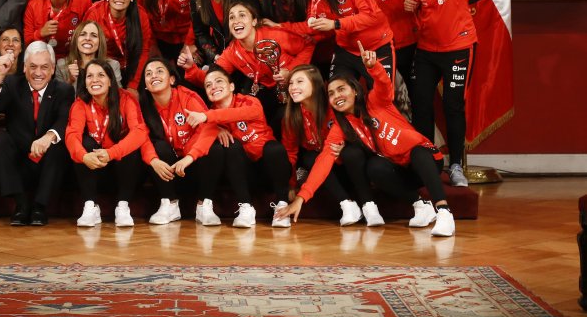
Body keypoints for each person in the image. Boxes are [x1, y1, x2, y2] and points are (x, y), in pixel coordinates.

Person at [276, 43, 454, 237]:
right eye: (332, 93)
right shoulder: (341, 126)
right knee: (374, 168)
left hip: (425, 162)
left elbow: (384, 85)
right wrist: (301, 198)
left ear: (354, 90)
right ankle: (420, 206)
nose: (337, 96)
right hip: (400, 171)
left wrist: (373, 67)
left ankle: (444, 212)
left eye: (341, 89)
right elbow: (325, 159)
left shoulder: (376, 101)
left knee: (417, 151)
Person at [405, 0, 493, 188]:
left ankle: (456, 165)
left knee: (452, 106)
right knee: (420, 106)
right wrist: (414, 5)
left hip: (457, 47)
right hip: (426, 49)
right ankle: (427, 162)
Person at [181, 1, 313, 137]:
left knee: (286, 118)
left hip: (292, 87)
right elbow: (212, 78)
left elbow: (308, 44)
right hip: (265, 90)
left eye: (242, 15)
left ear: (254, 21)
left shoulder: (275, 35)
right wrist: (191, 68)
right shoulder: (232, 51)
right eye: (231, 17)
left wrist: (292, 72)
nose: (236, 21)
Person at [279, 64, 383, 226]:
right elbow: (290, 152)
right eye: (291, 83)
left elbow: (360, 129)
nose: (293, 87)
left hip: (349, 166)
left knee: (351, 152)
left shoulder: (334, 105)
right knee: (310, 157)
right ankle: (348, 205)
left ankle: (369, 206)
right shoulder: (291, 116)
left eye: (300, 82)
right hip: (325, 172)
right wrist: (291, 184)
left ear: (315, 84)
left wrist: (348, 142)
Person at [0, 41, 74, 225]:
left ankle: (40, 207)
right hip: (19, 162)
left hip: (47, 163)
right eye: (32, 67)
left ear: (52, 69)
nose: (38, 73)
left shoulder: (64, 90)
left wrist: (47, 138)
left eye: (44, 67)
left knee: (60, 145)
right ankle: (21, 205)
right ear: (24, 67)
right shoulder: (11, 83)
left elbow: (64, 120)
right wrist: (1, 74)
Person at [194, 66, 292, 228]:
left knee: (274, 148)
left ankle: (282, 205)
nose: (214, 87)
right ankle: (245, 207)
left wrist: (208, 118)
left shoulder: (250, 101)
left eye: (219, 81)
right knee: (231, 147)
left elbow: (236, 114)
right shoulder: (211, 118)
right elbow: (198, 133)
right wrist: (214, 128)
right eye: (208, 85)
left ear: (231, 86)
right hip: (244, 174)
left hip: (268, 168)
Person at [138, 58, 223, 225]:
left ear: (172, 79)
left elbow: (208, 128)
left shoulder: (187, 96)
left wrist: (189, 157)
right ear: (146, 85)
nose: (154, 75)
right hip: (166, 171)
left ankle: (204, 205)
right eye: (148, 74)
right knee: (158, 147)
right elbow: (140, 136)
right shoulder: (142, 105)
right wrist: (153, 161)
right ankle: (169, 204)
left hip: (192, 165)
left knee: (215, 148)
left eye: (159, 71)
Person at [65, 59, 149, 227]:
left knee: (130, 144)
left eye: (101, 75)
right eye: (89, 76)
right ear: (85, 82)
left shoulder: (126, 99)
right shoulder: (80, 104)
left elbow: (140, 132)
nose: (94, 80)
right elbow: (71, 135)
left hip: (123, 170)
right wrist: (84, 156)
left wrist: (112, 153)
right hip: (94, 171)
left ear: (111, 81)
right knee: (84, 143)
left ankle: (123, 206)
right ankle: (91, 206)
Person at [82, 0, 153, 90]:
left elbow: (143, 50)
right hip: (104, 65)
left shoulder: (140, 15)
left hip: (132, 66)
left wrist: (133, 86)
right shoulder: (94, 14)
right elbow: (85, 49)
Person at [23, 0, 92, 60]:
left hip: (73, 57)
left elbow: (91, 33)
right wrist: (40, 33)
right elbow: (27, 42)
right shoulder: (34, 3)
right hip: (42, 57)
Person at [56, 20, 123, 89]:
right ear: (76, 39)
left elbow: (118, 96)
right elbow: (58, 97)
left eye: (94, 35)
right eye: (82, 34)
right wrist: (70, 81)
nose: (88, 38)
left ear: (100, 41)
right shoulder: (62, 66)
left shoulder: (112, 65)